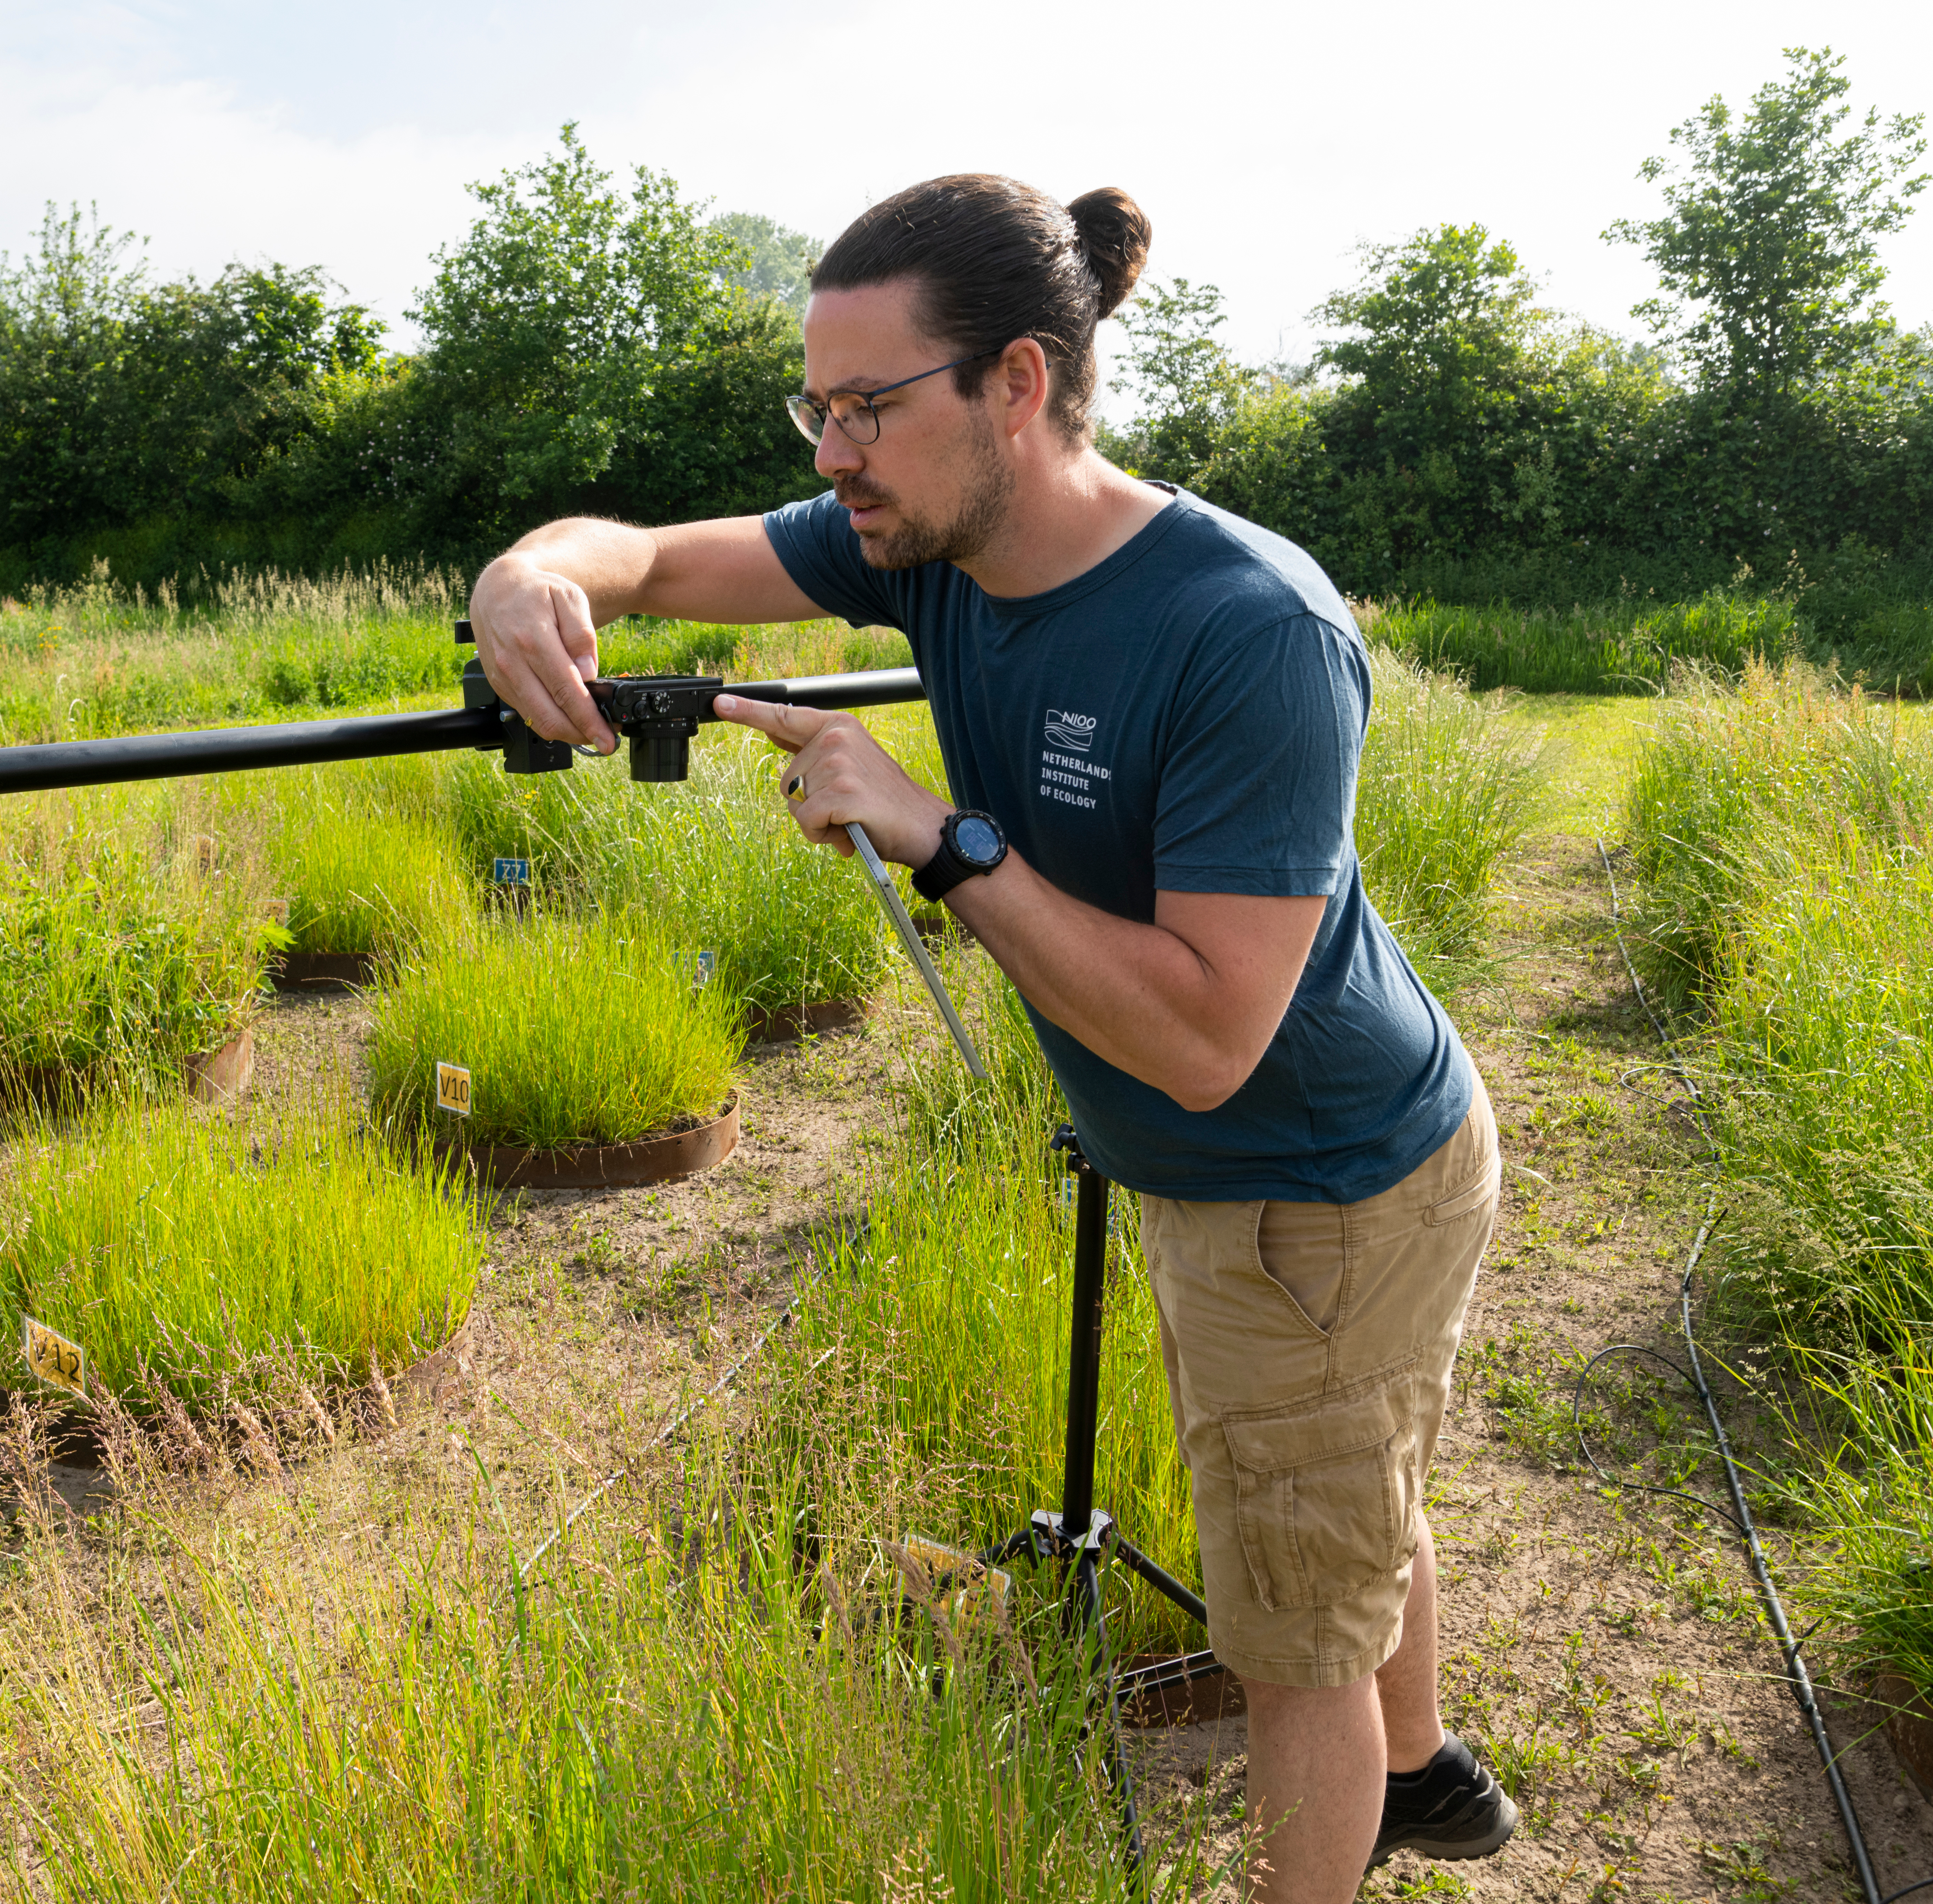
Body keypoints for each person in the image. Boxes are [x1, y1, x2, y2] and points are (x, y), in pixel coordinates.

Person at [464, 174, 1515, 1900]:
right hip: (1227, 1176)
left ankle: (1365, 1801)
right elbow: (645, 557)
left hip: (1320, 1174)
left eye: (868, 406)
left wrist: (941, 836)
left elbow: (1207, 1042)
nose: (832, 450)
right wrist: (532, 575)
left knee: (1293, 1622)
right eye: (816, 405)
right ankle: (1429, 1773)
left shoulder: (1249, 629)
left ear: (1017, 387)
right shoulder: (922, 544)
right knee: (1337, 1481)